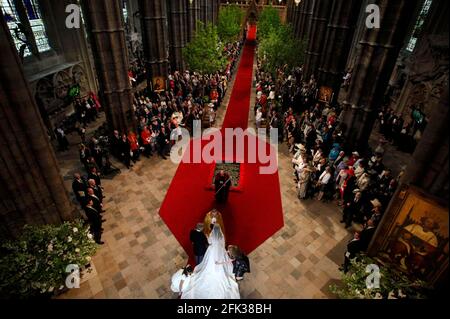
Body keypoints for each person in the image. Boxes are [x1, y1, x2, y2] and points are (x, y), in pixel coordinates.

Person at [181, 225, 240, 299]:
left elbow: (209, 242)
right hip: (220, 251)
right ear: (219, 230)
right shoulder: (221, 236)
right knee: (220, 264)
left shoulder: (212, 235)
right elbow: (223, 244)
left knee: (208, 262)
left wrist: (207, 236)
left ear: (213, 230)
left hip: (212, 251)